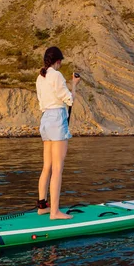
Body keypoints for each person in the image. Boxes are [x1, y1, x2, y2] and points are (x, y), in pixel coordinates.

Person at [36, 46, 80, 220]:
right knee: (58, 169)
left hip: (45, 119)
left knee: (47, 166)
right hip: (56, 119)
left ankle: (42, 206)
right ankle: (54, 212)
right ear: (58, 60)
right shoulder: (56, 75)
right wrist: (74, 86)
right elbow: (69, 99)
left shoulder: (40, 77)